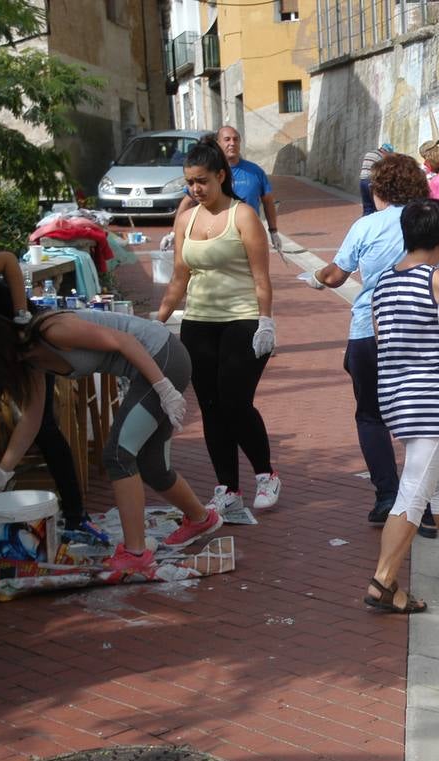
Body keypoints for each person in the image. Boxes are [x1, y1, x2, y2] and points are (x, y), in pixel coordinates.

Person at [0, 309, 219, 572]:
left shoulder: (52, 330)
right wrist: (2, 472)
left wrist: (164, 389)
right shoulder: (31, 360)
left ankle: (136, 553)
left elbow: (125, 342)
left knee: (118, 455)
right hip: (154, 367)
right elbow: (32, 420)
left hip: (162, 360)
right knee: (152, 465)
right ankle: (201, 518)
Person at [301, 153, 431, 527]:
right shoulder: (433, 220)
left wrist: (316, 276)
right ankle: (427, 503)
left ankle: (387, 495)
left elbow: (336, 275)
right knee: (425, 418)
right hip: (423, 329)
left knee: (371, 415)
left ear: (380, 190)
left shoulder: (367, 226)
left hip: (369, 331)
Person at [362, 199, 439, 613]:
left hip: (398, 399)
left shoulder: (384, 283)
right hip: (436, 401)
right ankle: (384, 580)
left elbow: (380, 337)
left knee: (437, 488)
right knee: (413, 493)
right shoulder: (438, 280)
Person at [157, 136, 281, 513]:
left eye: (202, 181)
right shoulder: (185, 219)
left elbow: (262, 277)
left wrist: (265, 322)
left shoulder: (243, 215)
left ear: (221, 176)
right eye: (190, 182)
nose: (196, 189)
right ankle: (228, 487)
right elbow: (179, 277)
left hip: (242, 321)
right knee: (211, 406)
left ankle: (266, 474)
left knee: (235, 402)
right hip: (198, 323)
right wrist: (157, 321)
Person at [0, 251, 92, 547]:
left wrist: (21, 317)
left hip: (19, 340)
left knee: (42, 425)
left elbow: (7, 259)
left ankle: (75, 513)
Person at [177, 126, 282, 253]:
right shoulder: (209, 172)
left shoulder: (255, 171)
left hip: (249, 233)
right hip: (219, 236)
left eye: (235, 139)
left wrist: (273, 231)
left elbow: (268, 201)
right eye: (227, 139)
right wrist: (174, 233)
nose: (232, 143)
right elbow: (187, 201)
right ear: (218, 143)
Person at [358, 142, 394, 216]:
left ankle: (365, 223)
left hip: (362, 180)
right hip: (371, 181)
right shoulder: (380, 157)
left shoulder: (369, 153)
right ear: (385, 151)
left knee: (367, 207)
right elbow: (382, 172)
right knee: (376, 207)